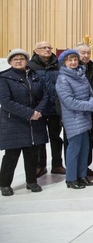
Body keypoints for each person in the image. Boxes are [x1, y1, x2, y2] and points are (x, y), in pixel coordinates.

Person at [0, 49, 49, 196]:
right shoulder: (4, 78)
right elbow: (6, 102)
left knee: (32, 153)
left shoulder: (34, 75)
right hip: (14, 122)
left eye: (21, 58)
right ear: (10, 61)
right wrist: (30, 113)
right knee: (12, 155)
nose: (19, 61)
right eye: (15, 59)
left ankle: (32, 181)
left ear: (26, 60)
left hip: (35, 121)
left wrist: (38, 111)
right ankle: (4, 183)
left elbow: (45, 95)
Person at [56, 49, 93, 190]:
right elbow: (69, 101)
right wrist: (90, 106)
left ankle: (82, 176)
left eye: (75, 59)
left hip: (84, 117)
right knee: (74, 150)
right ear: (64, 62)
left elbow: (91, 93)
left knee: (85, 149)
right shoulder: (62, 78)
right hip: (73, 118)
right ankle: (71, 179)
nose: (73, 62)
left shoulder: (81, 74)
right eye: (70, 60)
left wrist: (91, 102)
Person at [27, 41, 65, 177]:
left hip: (55, 108)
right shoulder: (30, 66)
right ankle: (40, 165)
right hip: (38, 109)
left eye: (49, 47)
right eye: (44, 48)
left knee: (56, 138)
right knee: (40, 139)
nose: (47, 50)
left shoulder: (58, 64)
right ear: (36, 51)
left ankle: (57, 165)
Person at [76, 43, 93, 177]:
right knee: (75, 144)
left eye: (88, 53)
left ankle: (85, 167)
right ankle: (75, 171)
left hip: (90, 109)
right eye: (82, 53)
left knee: (88, 143)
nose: (85, 56)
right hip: (75, 112)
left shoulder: (92, 68)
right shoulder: (70, 68)